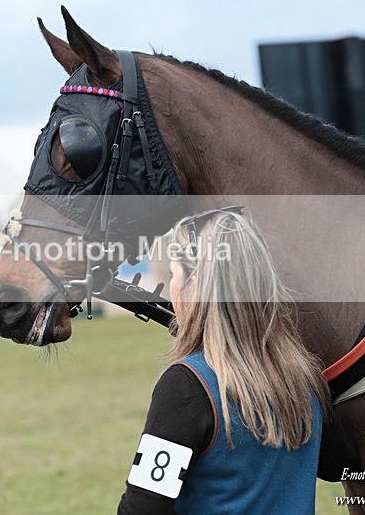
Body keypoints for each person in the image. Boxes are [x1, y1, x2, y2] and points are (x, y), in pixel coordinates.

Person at [117, 209, 330, 514]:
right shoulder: (307, 377)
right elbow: (338, 463)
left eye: (174, 275)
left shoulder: (187, 387)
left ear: (195, 285)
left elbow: (141, 510)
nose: (172, 287)